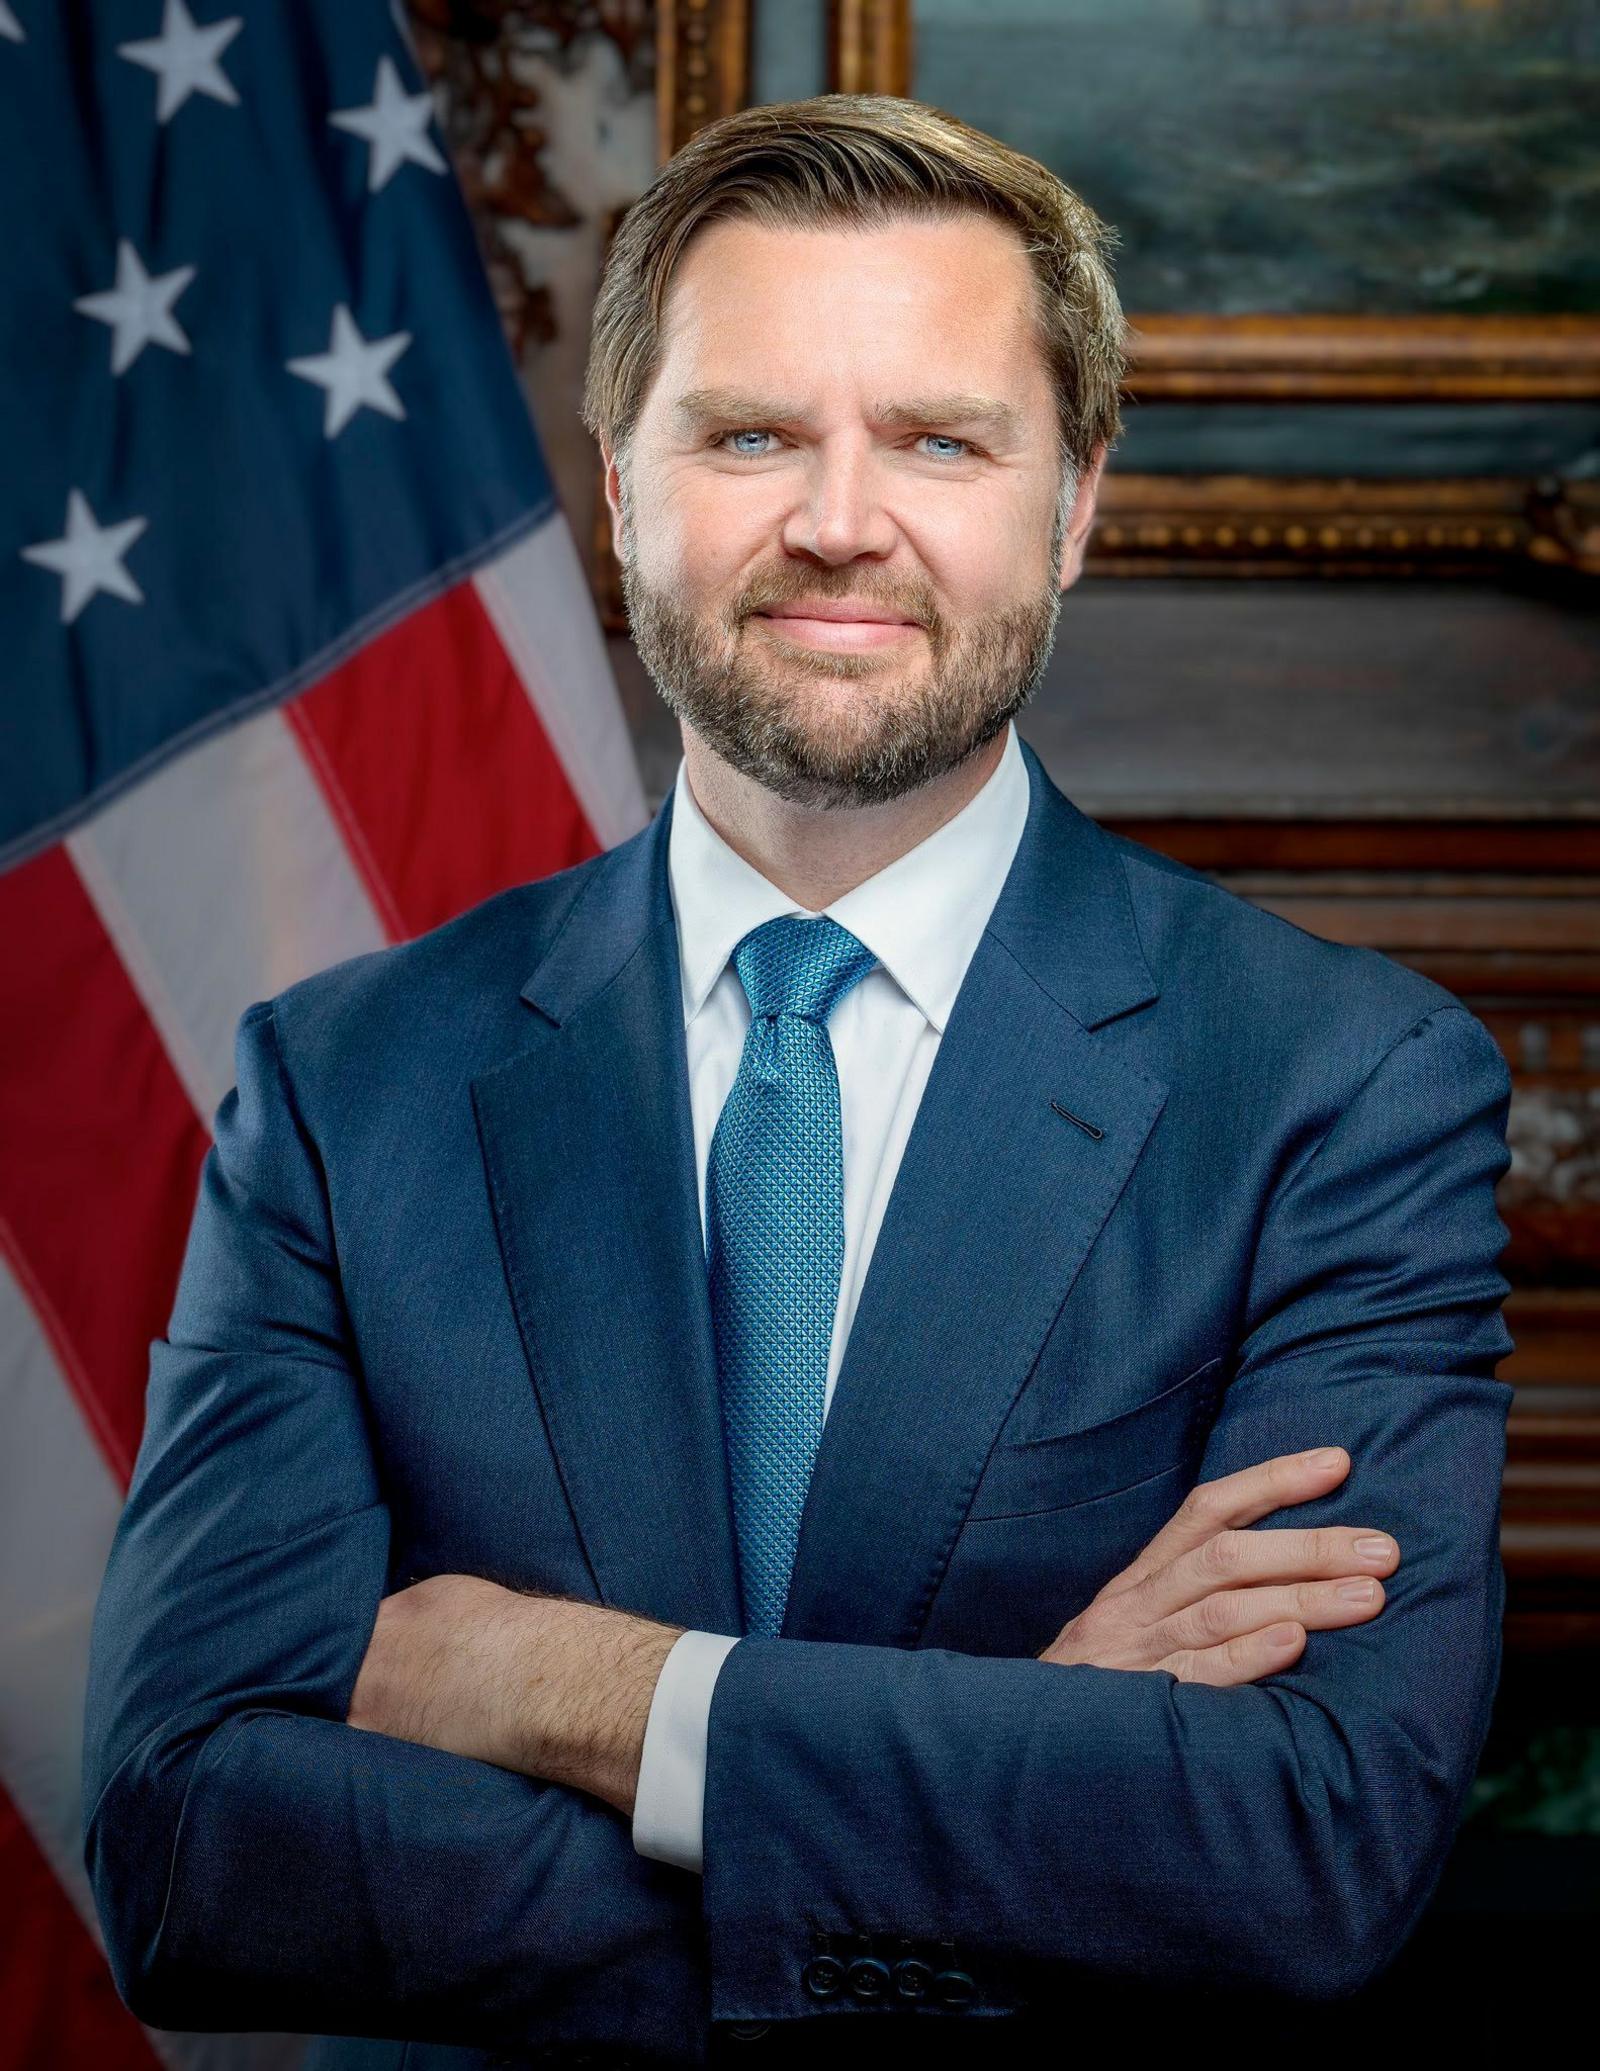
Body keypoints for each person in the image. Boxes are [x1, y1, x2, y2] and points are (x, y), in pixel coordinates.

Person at [83, 93, 1517, 2071]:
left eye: (938, 438)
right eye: (748, 432)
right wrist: (1020, 1759)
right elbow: (183, 1853)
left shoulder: (1337, 1087)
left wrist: (574, 1686)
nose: (838, 518)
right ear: (618, 482)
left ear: (1073, 500)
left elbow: (1298, 1844)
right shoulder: (343, 1088)